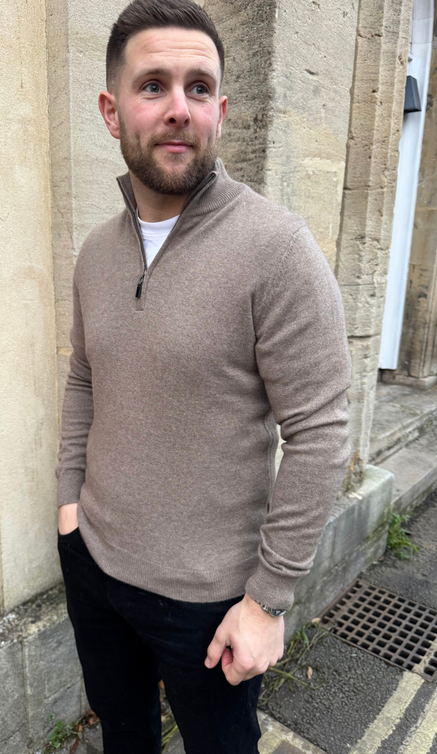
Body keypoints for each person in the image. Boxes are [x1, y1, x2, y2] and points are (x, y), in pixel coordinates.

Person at [55, 1, 352, 752]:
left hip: (210, 601)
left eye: (197, 88)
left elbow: (319, 433)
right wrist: (68, 511)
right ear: (110, 108)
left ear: (219, 110)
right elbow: (84, 379)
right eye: (152, 85)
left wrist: (267, 599)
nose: (177, 109)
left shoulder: (274, 248)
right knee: (123, 737)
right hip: (95, 563)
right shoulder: (95, 253)